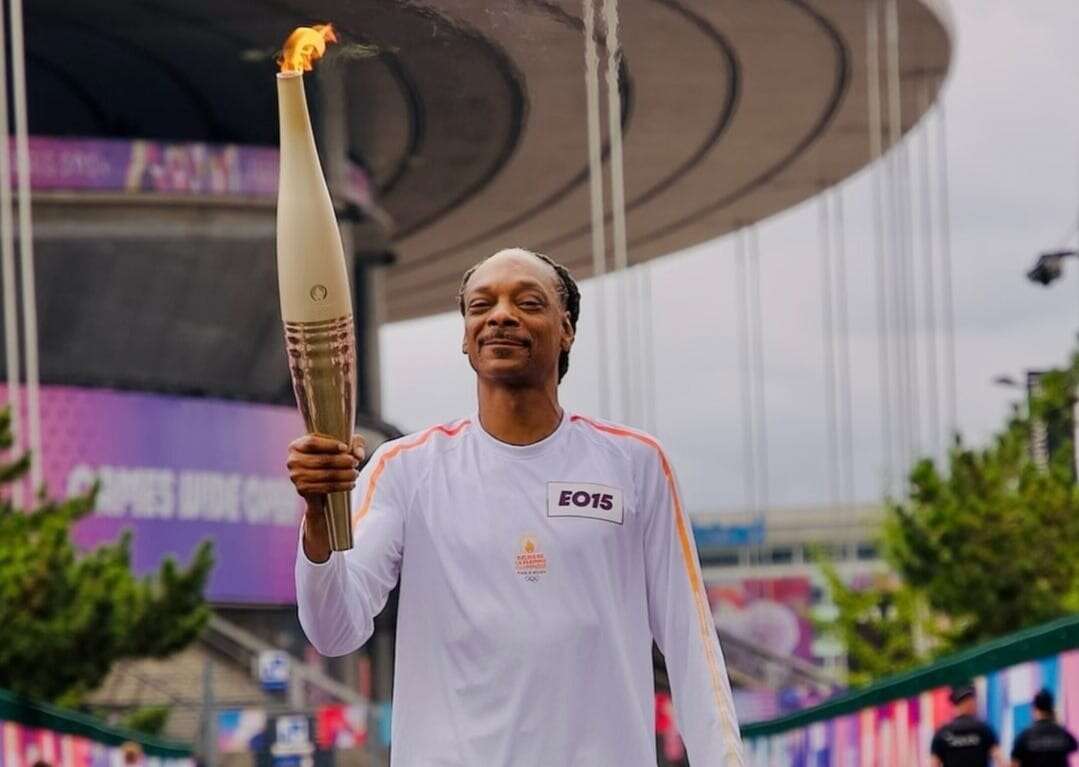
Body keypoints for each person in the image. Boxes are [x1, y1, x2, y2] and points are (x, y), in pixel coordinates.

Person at [287, 248, 743, 766]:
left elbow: (691, 644)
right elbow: (334, 629)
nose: (501, 315)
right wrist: (320, 513)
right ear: (465, 336)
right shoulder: (406, 469)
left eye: (527, 302)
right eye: (481, 305)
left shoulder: (635, 465)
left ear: (566, 329)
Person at [931, 684, 1004, 767]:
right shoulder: (983, 728)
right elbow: (1000, 759)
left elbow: (934, 763)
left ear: (954, 704)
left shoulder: (942, 732)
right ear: (972, 703)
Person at [1010, 689, 1077, 767]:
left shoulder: (1024, 737)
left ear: (1034, 709)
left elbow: (1014, 763)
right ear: (1052, 709)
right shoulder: (1062, 734)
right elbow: (1074, 746)